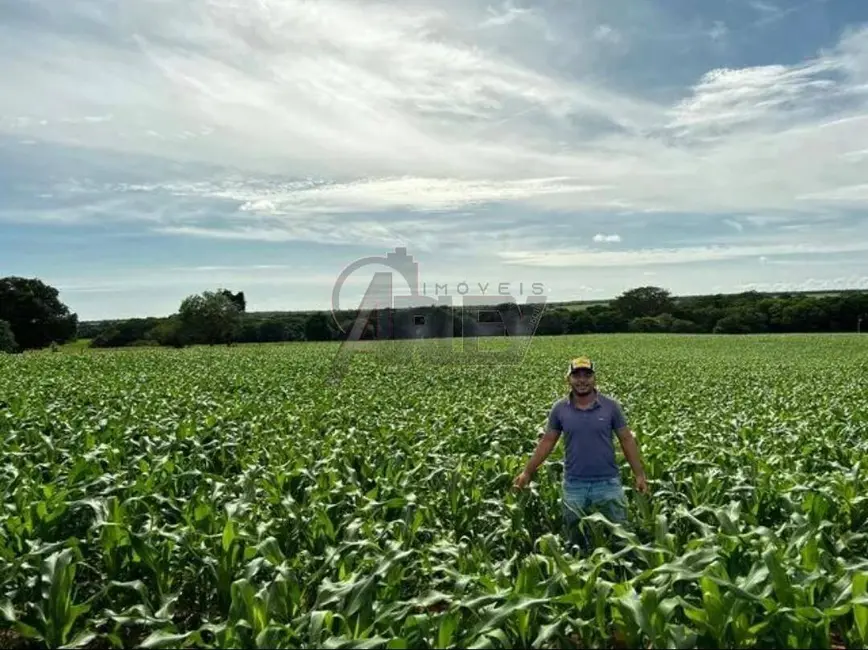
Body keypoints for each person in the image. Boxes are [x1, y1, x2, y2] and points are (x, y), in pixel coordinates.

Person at [513, 356, 648, 553]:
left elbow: (626, 440)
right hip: (574, 484)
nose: (582, 380)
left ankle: (622, 573)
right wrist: (527, 472)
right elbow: (547, 442)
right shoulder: (559, 409)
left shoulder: (611, 407)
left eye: (587, 375)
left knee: (620, 538)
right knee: (575, 542)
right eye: (577, 375)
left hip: (608, 483)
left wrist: (639, 474)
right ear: (568, 379)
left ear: (595, 379)